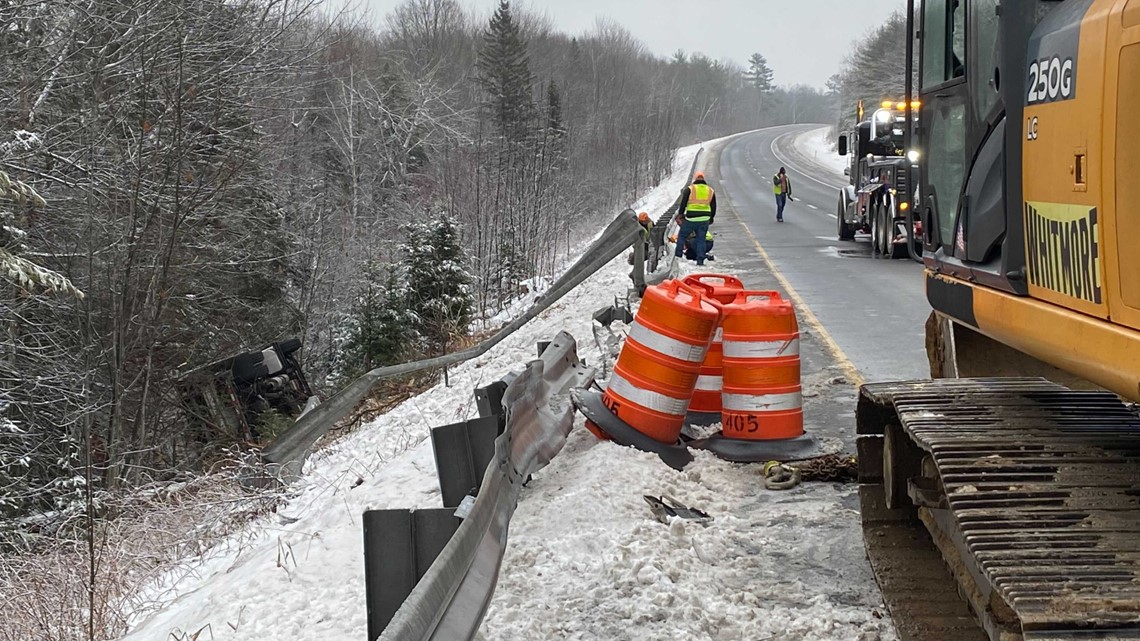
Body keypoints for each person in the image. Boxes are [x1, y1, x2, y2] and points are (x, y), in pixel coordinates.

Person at [674, 171, 715, 266]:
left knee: (682, 236)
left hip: (691, 217)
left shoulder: (690, 189)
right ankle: (700, 260)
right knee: (701, 239)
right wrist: (711, 218)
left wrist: (680, 214)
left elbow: (683, 203)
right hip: (704, 218)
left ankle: (678, 257)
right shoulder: (710, 190)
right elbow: (713, 206)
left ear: (695, 179)